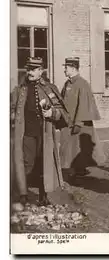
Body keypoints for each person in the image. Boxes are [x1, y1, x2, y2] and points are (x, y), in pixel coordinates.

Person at [10, 57, 70, 206]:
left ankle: (43, 195)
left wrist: (53, 114)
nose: (29, 72)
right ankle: (22, 194)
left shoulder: (49, 88)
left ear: (40, 71)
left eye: (33, 69)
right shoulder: (19, 90)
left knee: (43, 162)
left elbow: (63, 112)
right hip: (26, 134)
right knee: (26, 163)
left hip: (44, 133)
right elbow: (11, 108)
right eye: (28, 69)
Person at [59, 57, 105, 179]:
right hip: (69, 121)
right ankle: (74, 168)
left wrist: (78, 123)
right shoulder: (67, 83)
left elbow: (84, 104)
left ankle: (79, 169)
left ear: (73, 68)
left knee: (79, 146)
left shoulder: (82, 84)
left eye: (66, 68)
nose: (64, 70)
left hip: (79, 122)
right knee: (69, 146)